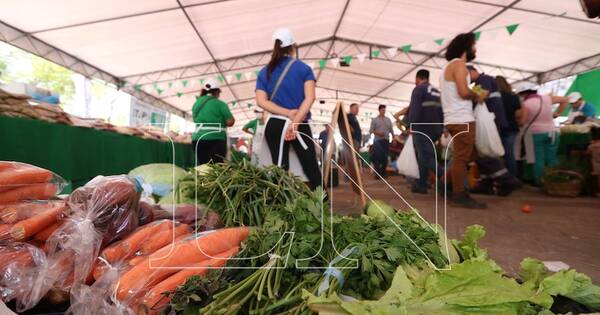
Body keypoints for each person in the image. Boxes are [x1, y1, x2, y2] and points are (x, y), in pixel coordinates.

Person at [255, 28, 321, 190]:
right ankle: (324, 207)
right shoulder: (304, 68)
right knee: (311, 167)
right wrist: (295, 121)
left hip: (275, 124)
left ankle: (281, 209)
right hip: (300, 124)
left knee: (279, 169)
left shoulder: (265, 71)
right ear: (293, 46)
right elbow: (310, 97)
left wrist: (286, 113)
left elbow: (261, 102)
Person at [439, 32, 488, 209]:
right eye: (474, 45)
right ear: (466, 46)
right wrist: (478, 95)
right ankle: (459, 194)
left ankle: (444, 183)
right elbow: (463, 91)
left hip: (453, 118)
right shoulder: (459, 65)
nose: (475, 49)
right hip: (462, 118)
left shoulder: (447, 67)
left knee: (464, 155)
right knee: (462, 158)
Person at [467, 65, 521, 196]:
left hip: (490, 122)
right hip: (491, 121)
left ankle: (508, 180)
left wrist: (468, 95)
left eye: (467, 75)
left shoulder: (483, 79)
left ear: (473, 71)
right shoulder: (483, 81)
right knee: (484, 152)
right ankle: (487, 184)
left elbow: (481, 96)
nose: (466, 78)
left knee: (487, 151)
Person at [513, 82, 569, 186]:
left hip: (536, 134)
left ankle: (540, 182)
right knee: (552, 158)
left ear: (522, 94)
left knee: (538, 159)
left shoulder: (526, 104)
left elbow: (523, 121)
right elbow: (566, 99)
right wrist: (557, 113)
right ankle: (555, 181)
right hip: (552, 132)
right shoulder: (547, 98)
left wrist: (516, 119)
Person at [406, 69, 443, 194]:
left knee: (426, 157)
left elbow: (414, 110)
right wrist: (441, 128)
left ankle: (448, 180)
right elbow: (441, 111)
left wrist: (410, 125)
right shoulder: (436, 91)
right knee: (423, 156)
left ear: (417, 78)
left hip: (422, 128)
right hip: (435, 129)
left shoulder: (418, 89)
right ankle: (422, 184)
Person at [191, 78, 235, 165]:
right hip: (216, 139)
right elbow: (230, 122)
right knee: (216, 168)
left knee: (203, 167)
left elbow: (195, 119)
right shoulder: (220, 104)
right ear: (216, 92)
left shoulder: (197, 103)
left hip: (198, 139)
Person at [496, 75, 521, 176]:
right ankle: (512, 177)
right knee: (510, 154)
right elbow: (518, 114)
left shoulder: (495, 97)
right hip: (512, 127)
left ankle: (502, 176)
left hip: (499, 128)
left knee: (497, 154)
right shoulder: (514, 97)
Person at [369, 105, 394, 178]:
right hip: (378, 141)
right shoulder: (375, 120)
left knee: (385, 157)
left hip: (386, 140)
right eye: (382, 110)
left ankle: (383, 173)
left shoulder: (388, 120)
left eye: (384, 110)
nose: (384, 111)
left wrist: (394, 138)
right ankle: (377, 174)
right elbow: (371, 131)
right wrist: (378, 133)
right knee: (377, 157)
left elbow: (391, 130)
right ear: (379, 110)